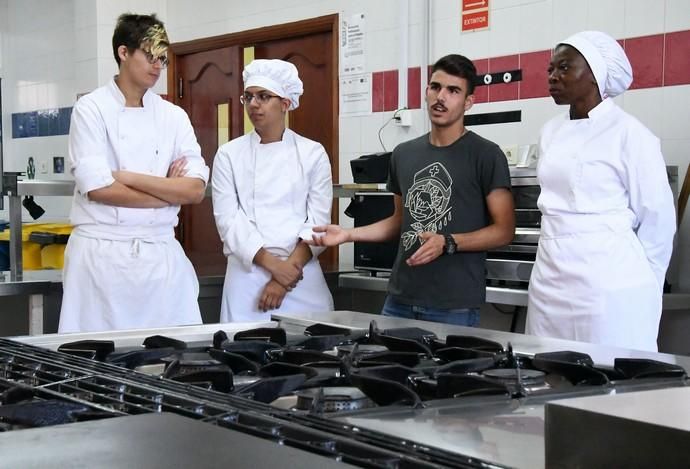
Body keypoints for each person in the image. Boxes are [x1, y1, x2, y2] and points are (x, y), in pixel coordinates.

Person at [310, 54, 515, 326]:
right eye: (435, 87)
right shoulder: (404, 154)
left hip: (453, 305)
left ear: (468, 102)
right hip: (399, 300)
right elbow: (399, 222)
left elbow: (504, 230)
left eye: (453, 91)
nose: (441, 97)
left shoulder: (486, 155)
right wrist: (348, 234)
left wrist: (448, 242)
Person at [525, 31, 676, 352]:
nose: (552, 76)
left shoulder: (630, 134)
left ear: (595, 74)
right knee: (547, 371)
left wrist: (645, 283)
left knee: (610, 380)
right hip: (550, 278)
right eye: (550, 69)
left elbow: (658, 220)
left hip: (609, 283)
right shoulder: (550, 131)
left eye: (564, 68)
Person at [59, 13, 209, 333]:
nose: (157, 66)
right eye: (149, 56)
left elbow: (195, 190)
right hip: (101, 260)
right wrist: (167, 193)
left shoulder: (173, 116)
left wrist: (125, 176)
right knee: (98, 362)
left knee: (172, 358)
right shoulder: (91, 109)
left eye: (162, 59)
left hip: (160, 259)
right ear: (123, 53)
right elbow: (98, 188)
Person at [212, 59, 334, 322]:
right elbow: (229, 221)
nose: (253, 104)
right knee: (242, 356)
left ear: (286, 103)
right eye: (248, 97)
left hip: (300, 275)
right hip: (248, 276)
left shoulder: (312, 153)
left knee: (313, 356)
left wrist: (284, 277)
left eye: (264, 96)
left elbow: (318, 223)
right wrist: (274, 267)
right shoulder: (229, 155)